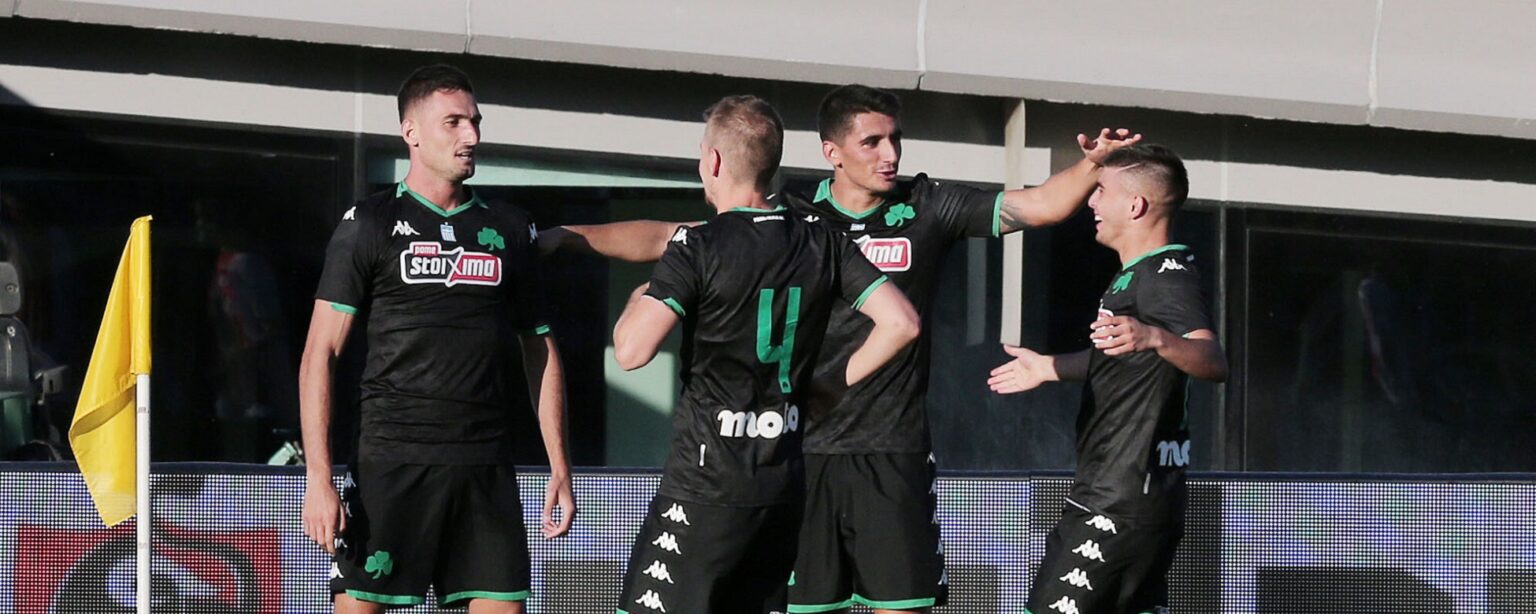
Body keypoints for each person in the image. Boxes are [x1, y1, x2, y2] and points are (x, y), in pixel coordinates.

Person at [543, 83, 1138, 614]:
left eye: (895, 139)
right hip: (802, 451)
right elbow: (666, 237)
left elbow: (1040, 206)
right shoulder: (798, 219)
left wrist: (1091, 166)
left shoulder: (929, 205)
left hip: (890, 448)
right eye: (872, 142)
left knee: (900, 604)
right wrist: (568, 238)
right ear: (832, 152)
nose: (890, 154)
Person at [612, 94, 920, 614]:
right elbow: (902, 323)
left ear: (712, 161)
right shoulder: (823, 239)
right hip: (782, 488)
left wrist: (639, 297)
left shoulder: (698, 245)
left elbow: (630, 352)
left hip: (705, 486)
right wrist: (827, 388)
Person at [298, 64, 575, 613]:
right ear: (412, 133)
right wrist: (318, 478)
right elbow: (319, 354)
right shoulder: (368, 223)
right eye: (453, 122)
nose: (471, 136)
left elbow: (539, 349)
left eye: (475, 122)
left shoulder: (509, 227)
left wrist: (559, 466)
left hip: (485, 467)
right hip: (390, 465)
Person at [987, 144, 1227, 614]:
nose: (1091, 202)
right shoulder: (1136, 275)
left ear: (1135, 205)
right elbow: (1120, 357)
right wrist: (1048, 367)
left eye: (1101, 191)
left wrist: (1155, 336)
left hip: (1119, 502)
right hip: (1126, 498)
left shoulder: (1164, 276)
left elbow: (1213, 359)